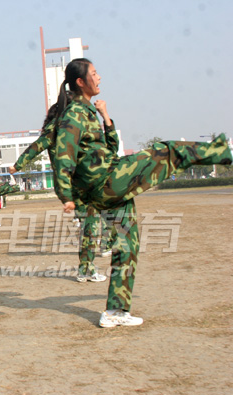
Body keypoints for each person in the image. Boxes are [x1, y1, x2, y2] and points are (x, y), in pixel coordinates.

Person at [52, 58, 232, 328]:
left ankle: (115, 311)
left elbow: (111, 148)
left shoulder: (88, 111)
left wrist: (106, 117)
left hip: (109, 187)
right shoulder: (74, 114)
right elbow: (62, 155)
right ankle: (224, 151)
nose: (99, 78)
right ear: (80, 81)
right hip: (108, 181)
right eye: (94, 73)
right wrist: (65, 196)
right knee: (167, 151)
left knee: (127, 243)